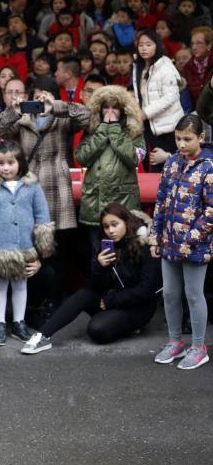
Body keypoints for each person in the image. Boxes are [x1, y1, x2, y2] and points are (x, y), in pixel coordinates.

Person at [22, 204, 160, 354]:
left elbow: (147, 289)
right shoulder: (108, 246)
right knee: (83, 295)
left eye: (115, 225)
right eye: (106, 227)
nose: (111, 231)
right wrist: (100, 266)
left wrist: (110, 301)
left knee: (97, 330)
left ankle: (128, 326)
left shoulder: (146, 245)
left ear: (126, 221)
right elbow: (95, 286)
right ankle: (42, 336)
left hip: (139, 307)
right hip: (114, 301)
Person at [0, 141, 54, 346]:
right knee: (0, 285)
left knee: (20, 285)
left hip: (24, 246)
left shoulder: (32, 185)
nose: (6, 167)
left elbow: (42, 215)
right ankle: (0, 324)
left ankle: (19, 323)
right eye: (1, 163)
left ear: (20, 163)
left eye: (10, 162)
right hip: (0, 248)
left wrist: (42, 245)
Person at [149, 114, 213, 371]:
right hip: (168, 241)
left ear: (201, 138)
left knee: (194, 294)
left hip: (196, 245)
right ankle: (175, 341)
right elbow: (161, 201)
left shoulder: (209, 167)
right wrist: (155, 236)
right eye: (178, 138)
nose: (181, 144)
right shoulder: (172, 163)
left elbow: (211, 211)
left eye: (187, 139)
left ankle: (199, 347)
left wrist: (192, 237)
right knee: (171, 293)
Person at [0, 76, 89, 233]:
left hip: (58, 184)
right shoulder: (22, 119)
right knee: (29, 235)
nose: (41, 103)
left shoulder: (63, 119)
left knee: (58, 240)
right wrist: (13, 112)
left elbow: (87, 116)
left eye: (45, 98)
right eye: (37, 98)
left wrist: (55, 106)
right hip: (29, 183)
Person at [76, 85, 146, 246]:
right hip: (95, 205)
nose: (110, 112)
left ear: (123, 110)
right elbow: (82, 157)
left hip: (124, 203)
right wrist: (102, 132)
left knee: (127, 257)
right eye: (106, 107)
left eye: (115, 108)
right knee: (98, 257)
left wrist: (113, 129)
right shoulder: (92, 131)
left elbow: (134, 158)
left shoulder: (133, 131)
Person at [132, 29, 184, 169]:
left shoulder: (165, 67)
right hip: (148, 125)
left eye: (148, 44)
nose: (144, 48)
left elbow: (170, 98)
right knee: (150, 165)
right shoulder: (138, 66)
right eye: (141, 44)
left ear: (157, 46)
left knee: (167, 167)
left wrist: (145, 113)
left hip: (168, 126)